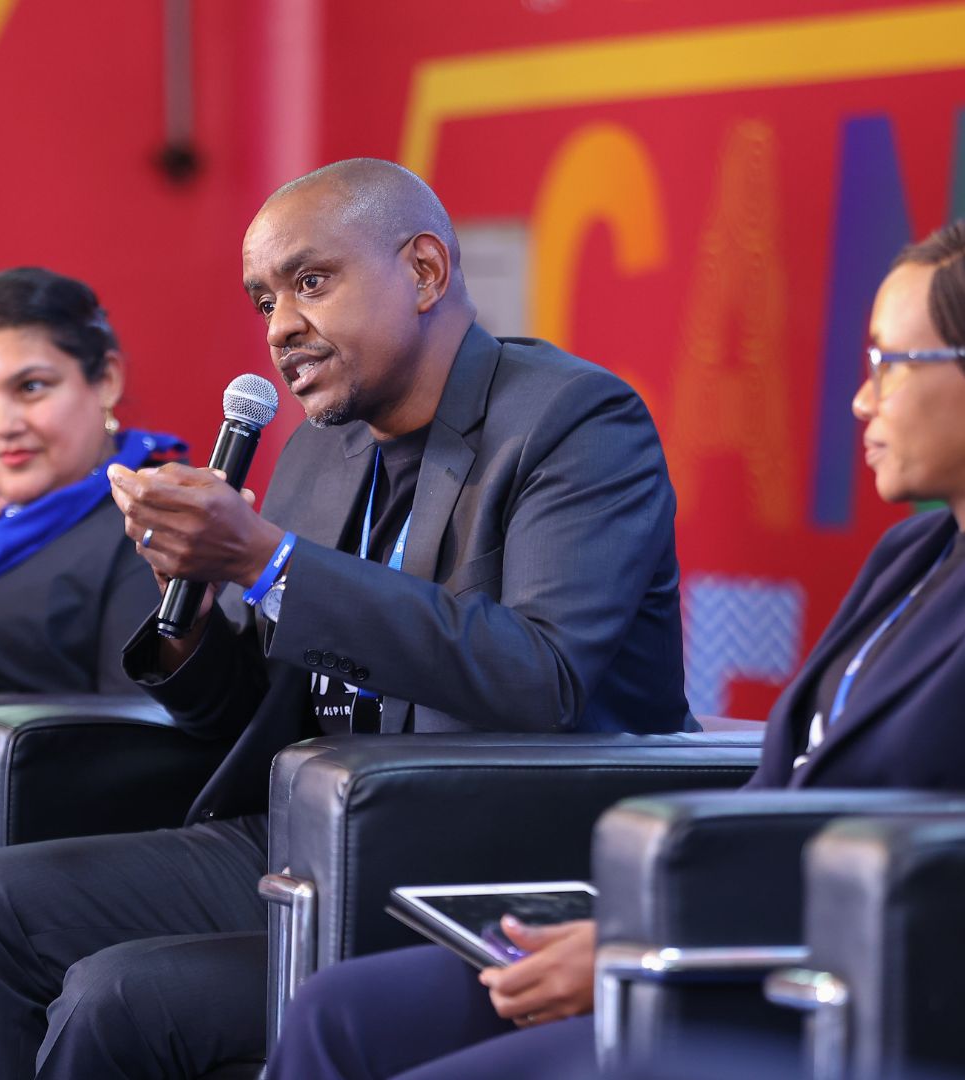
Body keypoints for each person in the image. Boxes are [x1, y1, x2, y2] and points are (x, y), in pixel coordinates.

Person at [0, 159, 690, 1079]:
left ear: (425, 271)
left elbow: (543, 676)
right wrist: (192, 613)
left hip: (474, 855)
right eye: (264, 300)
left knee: (116, 997)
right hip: (306, 832)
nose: (280, 326)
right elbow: (258, 710)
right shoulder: (322, 454)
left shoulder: (573, 420)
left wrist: (269, 561)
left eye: (311, 282)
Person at [262, 219, 965, 1080]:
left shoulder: (576, 418)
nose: (862, 399)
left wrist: (652, 942)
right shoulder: (913, 555)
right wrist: (627, 924)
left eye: (894, 362)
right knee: (339, 1013)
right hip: (716, 933)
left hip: (840, 983)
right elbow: (782, 797)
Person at [0, 267, 183, 721]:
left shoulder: (151, 525)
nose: (2, 425)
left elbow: (135, 738)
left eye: (30, 387)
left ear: (106, 379)